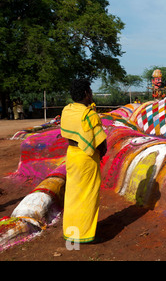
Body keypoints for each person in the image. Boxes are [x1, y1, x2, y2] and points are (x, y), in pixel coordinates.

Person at [60, 78, 107, 244]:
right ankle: (84, 234)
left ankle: (71, 231)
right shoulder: (89, 115)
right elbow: (101, 142)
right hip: (86, 159)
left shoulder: (67, 110)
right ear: (86, 94)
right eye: (91, 91)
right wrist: (101, 153)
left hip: (71, 155)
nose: (92, 94)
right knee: (88, 195)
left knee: (73, 194)